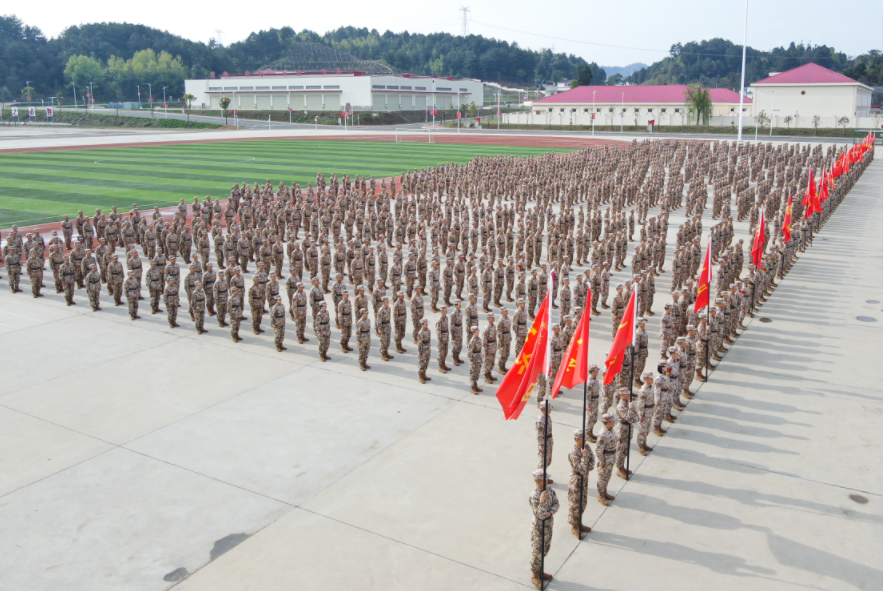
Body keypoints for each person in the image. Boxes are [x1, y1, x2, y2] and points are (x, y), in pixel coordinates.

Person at [529, 468, 558, 589]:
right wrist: (541, 502)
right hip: (539, 528)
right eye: (544, 479)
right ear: (538, 481)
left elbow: (556, 504)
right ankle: (535, 575)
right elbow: (539, 514)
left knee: (545, 548)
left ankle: (540, 570)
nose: (547, 481)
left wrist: (550, 513)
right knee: (537, 551)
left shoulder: (550, 491)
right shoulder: (535, 496)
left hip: (548, 525)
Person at [567, 429, 594, 539]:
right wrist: (585, 457)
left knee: (583, 502)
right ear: (577, 440)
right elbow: (582, 469)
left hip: (584, 479)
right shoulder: (574, 452)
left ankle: (579, 523)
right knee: (575, 505)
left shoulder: (586, 447)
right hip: (577, 480)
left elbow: (592, 463)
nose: (585, 442)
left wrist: (586, 460)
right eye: (583, 440)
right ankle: (574, 526)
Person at [614, 388, 638, 480]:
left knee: (626, 450)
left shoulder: (628, 403)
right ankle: (619, 469)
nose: (629, 395)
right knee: (621, 450)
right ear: (622, 395)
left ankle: (622, 466)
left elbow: (635, 417)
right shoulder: (621, 406)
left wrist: (633, 413)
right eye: (627, 394)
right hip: (623, 429)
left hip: (629, 427)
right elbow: (629, 417)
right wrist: (631, 408)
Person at [595, 413, 617, 505]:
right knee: (602, 478)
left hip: (611, 457)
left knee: (607, 476)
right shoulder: (602, 434)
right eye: (612, 421)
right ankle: (601, 495)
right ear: (608, 422)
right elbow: (599, 449)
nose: (614, 422)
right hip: (606, 458)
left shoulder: (611, 430)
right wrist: (601, 460)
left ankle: (605, 492)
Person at [436, 306, 451, 373]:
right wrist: (439, 341)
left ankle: (443, 364)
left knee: (445, 352)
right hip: (441, 339)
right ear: (442, 311)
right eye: (445, 310)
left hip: (446, 337)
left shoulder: (446, 318)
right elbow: (438, 331)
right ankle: (440, 366)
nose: (446, 311)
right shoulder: (439, 320)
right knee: (441, 353)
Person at [468, 326, 483, 394]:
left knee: (477, 372)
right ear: (473, 332)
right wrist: (471, 360)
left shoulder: (479, 339)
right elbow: (470, 352)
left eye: (478, 331)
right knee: (473, 373)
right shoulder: (472, 341)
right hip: (474, 358)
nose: (478, 332)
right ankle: (472, 387)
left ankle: (476, 385)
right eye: (476, 331)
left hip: (479, 357)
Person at [417, 318, 432, 384]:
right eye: (425, 324)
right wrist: (420, 353)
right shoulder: (421, 333)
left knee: (426, 362)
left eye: (427, 324)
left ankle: (424, 374)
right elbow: (420, 344)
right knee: (422, 363)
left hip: (428, 348)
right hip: (423, 349)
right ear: (422, 325)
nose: (427, 325)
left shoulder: (428, 331)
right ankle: (420, 376)